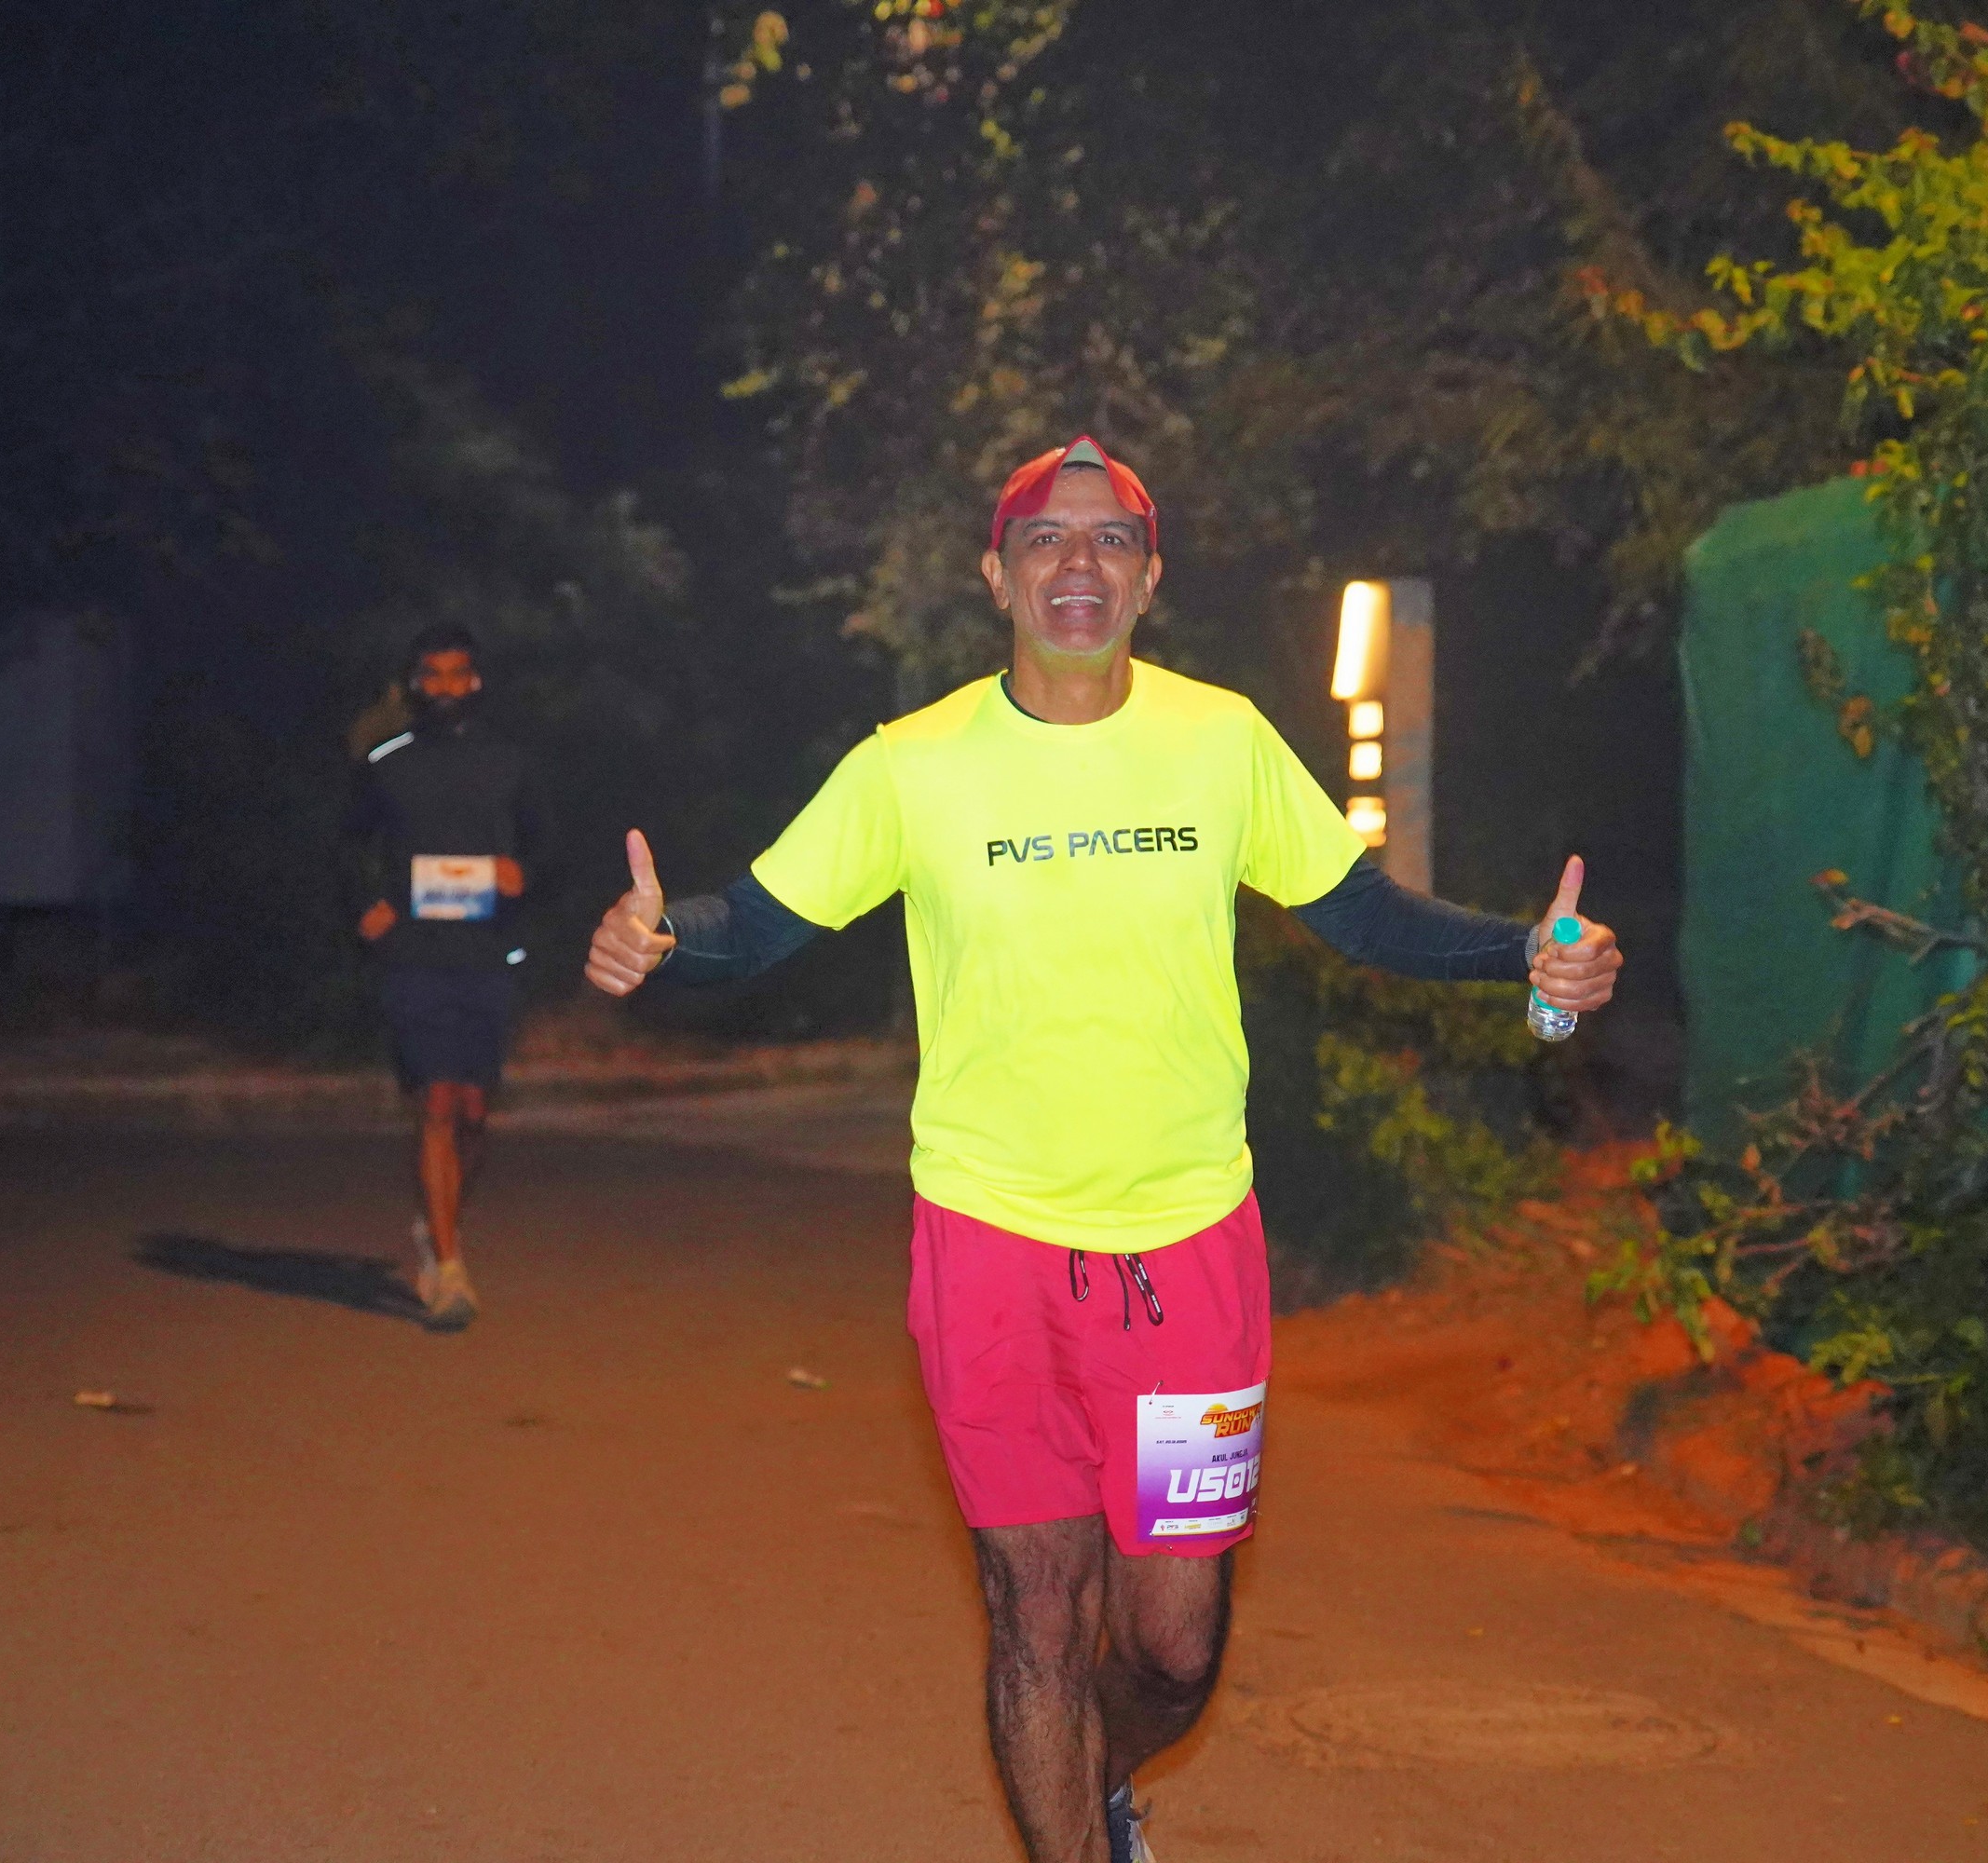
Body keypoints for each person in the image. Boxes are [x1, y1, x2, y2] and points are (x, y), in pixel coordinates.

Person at [584, 438, 1622, 1862]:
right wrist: (661, 939)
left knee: (1176, 1648)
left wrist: (1525, 954)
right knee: (1035, 1613)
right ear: (995, 573)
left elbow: (1364, 914)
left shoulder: (1222, 741)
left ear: (1149, 577)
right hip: (989, 1248)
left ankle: (1099, 1773)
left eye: (1110, 540)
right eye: (1046, 539)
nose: (1078, 563)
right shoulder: (913, 767)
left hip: (1188, 1251)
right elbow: (752, 924)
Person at [350, 624, 553, 1331]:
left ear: (476, 682)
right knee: (435, 1099)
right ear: (415, 684)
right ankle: (449, 1266)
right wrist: (366, 905)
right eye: (430, 675)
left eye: (455, 674)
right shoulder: (387, 765)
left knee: (472, 1111)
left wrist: (523, 876)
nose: (443, 687)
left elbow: (550, 852)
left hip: (486, 953)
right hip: (414, 955)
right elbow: (347, 846)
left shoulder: (511, 763)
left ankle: (438, 1224)